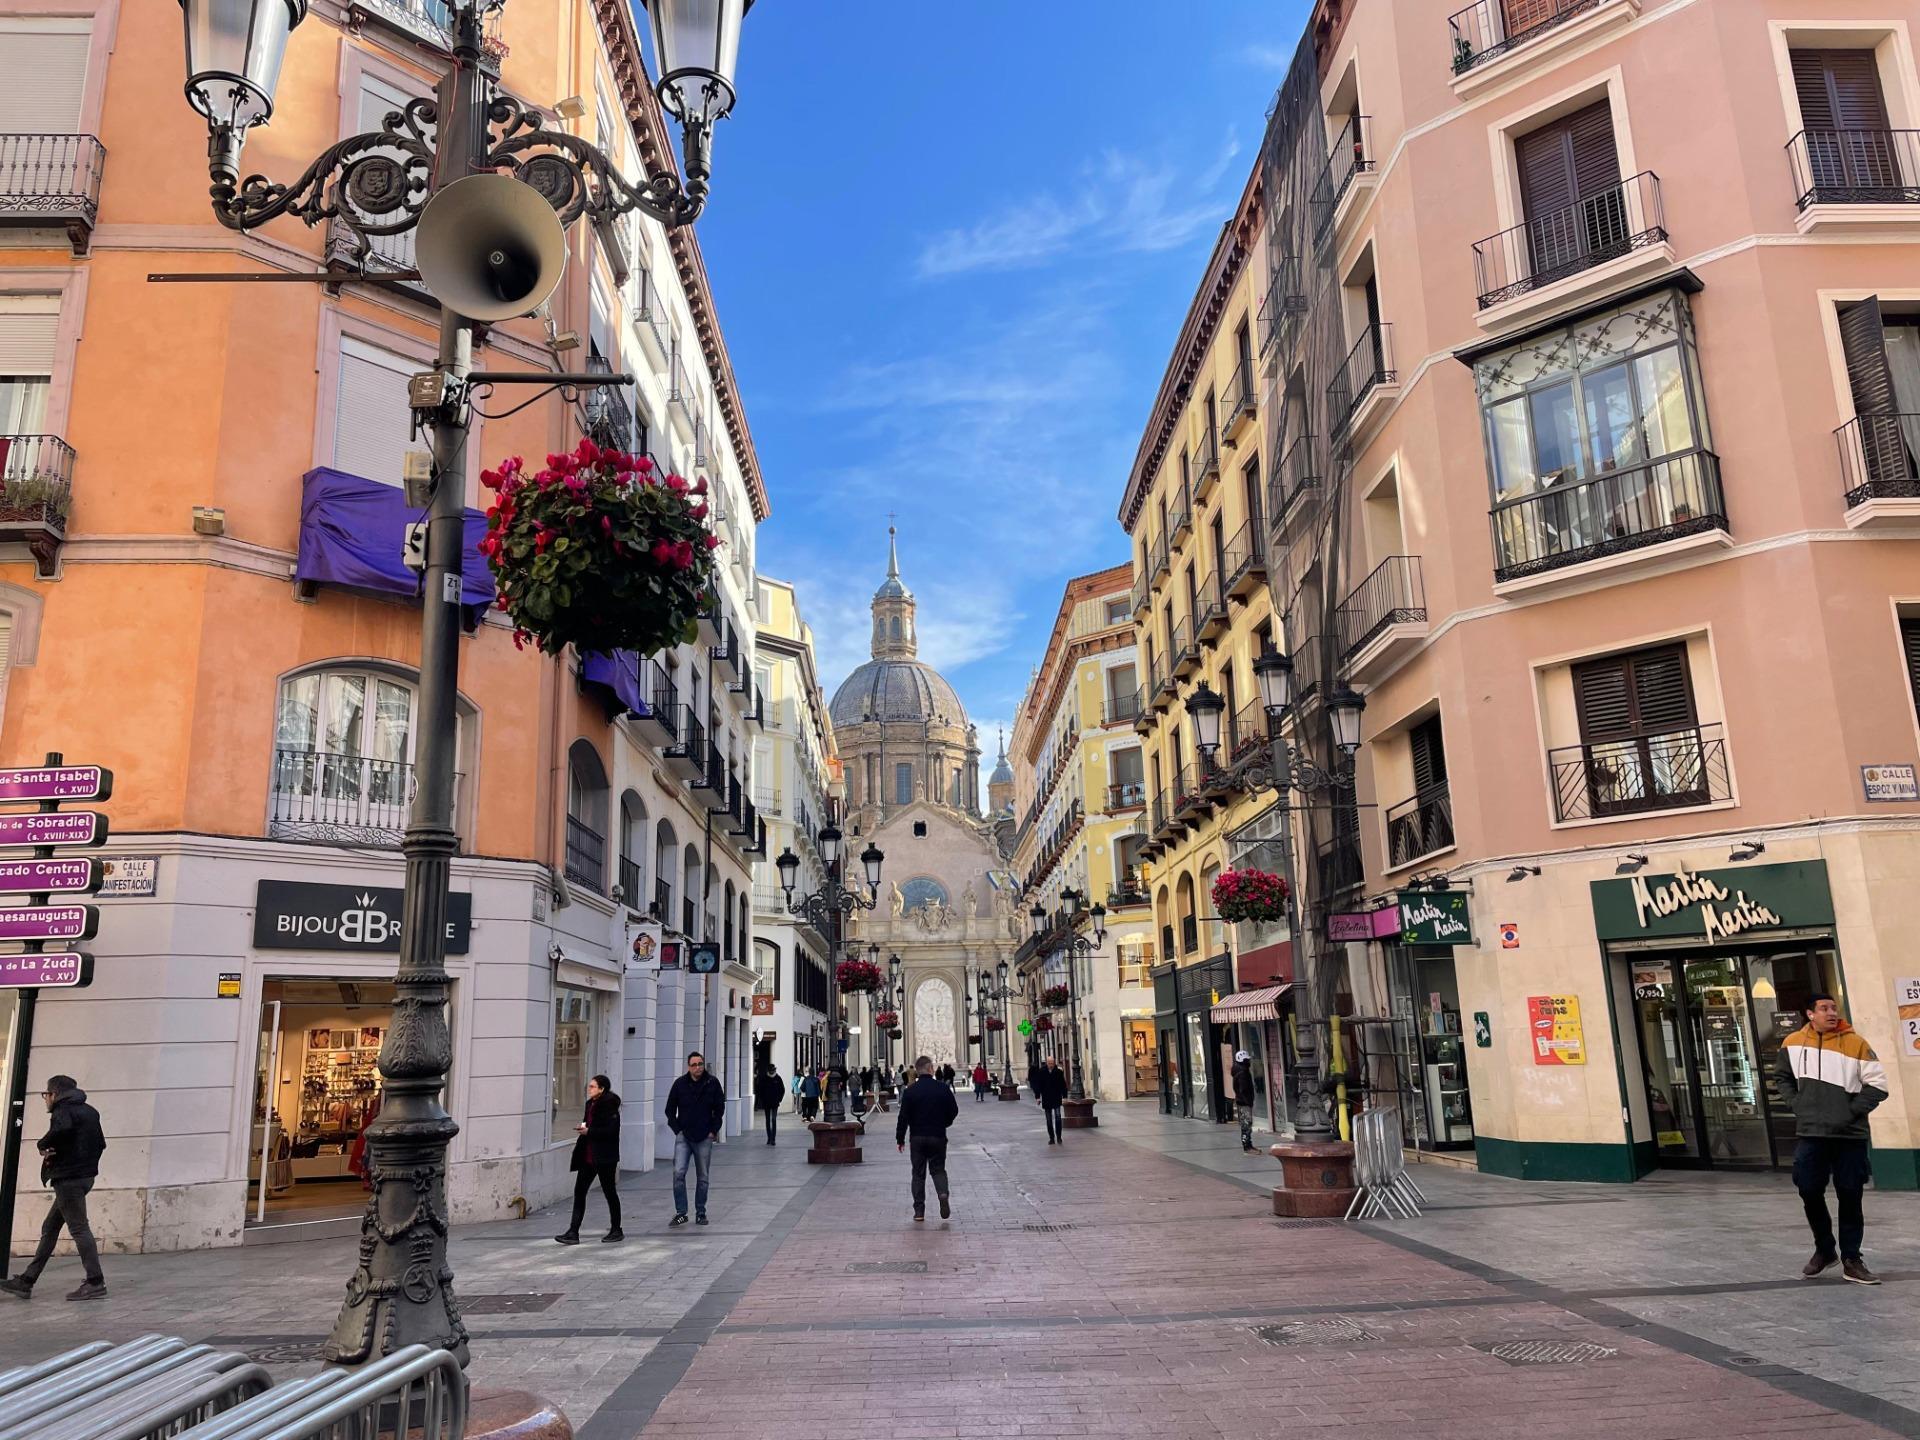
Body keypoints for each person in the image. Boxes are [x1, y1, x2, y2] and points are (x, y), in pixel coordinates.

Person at [1776, 994, 1887, 1284]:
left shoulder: (1856, 1043)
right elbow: (1782, 1078)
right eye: (1824, 1008)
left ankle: (1852, 1258)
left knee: (1850, 1195)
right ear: (1809, 1013)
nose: (1831, 1012)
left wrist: (1851, 1111)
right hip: (1811, 1134)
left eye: (1833, 1008)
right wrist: (1797, 1104)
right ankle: (1825, 1249)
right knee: (1808, 1189)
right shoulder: (1793, 1043)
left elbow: (1878, 1086)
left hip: (1849, 1136)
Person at [1, 1075, 107, 1301]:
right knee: (50, 1227)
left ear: (54, 1094)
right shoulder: (90, 1111)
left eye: (45, 1095)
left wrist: (43, 1145)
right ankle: (27, 1281)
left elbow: (62, 1129)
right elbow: (101, 1144)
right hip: (84, 1177)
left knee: (79, 1229)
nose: (45, 1100)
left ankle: (96, 1282)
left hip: (69, 1179)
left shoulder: (63, 1111)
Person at [556, 1075, 622, 1245]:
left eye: (593, 1086)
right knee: (579, 1192)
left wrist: (589, 1131)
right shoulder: (589, 1104)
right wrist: (583, 1127)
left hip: (605, 1156)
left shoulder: (610, 1105)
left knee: (609, 1192)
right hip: (588, 1155)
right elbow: (589, 1122)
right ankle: (573, 1232)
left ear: (602, 1089)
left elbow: (611, 1131)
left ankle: (616, 1229)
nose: (589, 1089)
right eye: (589, 1086)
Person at [664, 1051, 726, 1227]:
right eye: (694, 1065)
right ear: (688, 1067)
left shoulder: (712, 1083)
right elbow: (669, 1110)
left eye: (700, 1064)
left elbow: (719, 1108)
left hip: (704, 1136)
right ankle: (681, 1212)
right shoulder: (680, 1084)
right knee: (678, 1173)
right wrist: (678, 1130)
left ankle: (701, 1212)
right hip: (684, 1136)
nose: (698, 1067)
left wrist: (713, 1130)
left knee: (703, 1176)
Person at [895, 1054, 959, 1221]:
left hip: (917, 1137)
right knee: (938, 1170)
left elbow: (903, 1117)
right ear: (931, 1069)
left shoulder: (910, 1091)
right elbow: (953, 1110)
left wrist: (900, 1139)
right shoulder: (942, 1088)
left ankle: (919, 1211)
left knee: (918, 1174)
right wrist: (944, 1123)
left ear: (917, 1071)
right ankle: (943, 1194)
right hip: (937, 1136)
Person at [1033, 1054, 1068, 1145]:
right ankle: (1051, 1138)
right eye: (1049, 1063)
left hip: (1056, 1098)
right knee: (1049, 1120)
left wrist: (1064, 1096)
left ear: (1054, 1062)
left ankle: (1059, 1137)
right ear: (1046, 1063)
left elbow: (1063, 1085)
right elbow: (1038, 1086)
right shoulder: (1042, 1072)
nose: (1051, 1064)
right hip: (1046, 1098)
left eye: (1052, 1063)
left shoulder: (1058, 1072)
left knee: (1058, 1118)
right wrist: (1037, 1097)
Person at [1231, 1051, 1257, 1153]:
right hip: (1244, 1102)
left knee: (1246, 1124)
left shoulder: (1239, 1072)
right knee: (1246, 1124)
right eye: (1247, 1060)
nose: (1249, 1062)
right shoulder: (1243, 1073)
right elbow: (1243, 1089)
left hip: (1242, 1101)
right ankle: (1247, 1146)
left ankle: (1248, 1145)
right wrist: (1248, 1101)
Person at [755, 1064, 785, 1146]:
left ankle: (773, 1139)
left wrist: (779, 1099)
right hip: (766, 1103)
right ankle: (769, 1138)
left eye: (773, 1070)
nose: (772, 1072)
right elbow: (759, 1090)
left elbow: (782, 1090)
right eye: (771, 1070)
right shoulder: (764, 1079)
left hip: (775, 1103)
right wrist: (762, 1100)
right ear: (768, 1071)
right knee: (768, 1120)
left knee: (773, 1120)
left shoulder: (778, 1078)